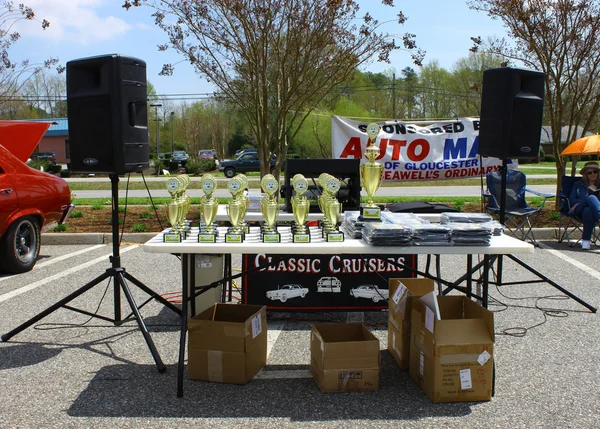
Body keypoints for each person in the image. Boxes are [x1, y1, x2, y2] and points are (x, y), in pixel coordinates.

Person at [569, 161, 600, 249]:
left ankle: (586, 241)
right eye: (589, 172)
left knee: (588, 211)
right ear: (585, 174)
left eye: (595, 172)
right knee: (590, 197)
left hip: (592, 212)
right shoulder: (578, 185)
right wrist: (585, 199)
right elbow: (572, 200)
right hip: (579, 209)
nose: (592, 174)